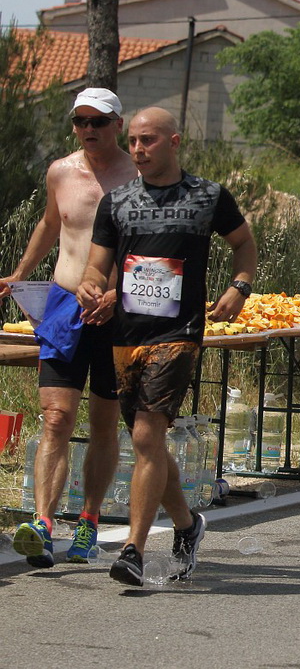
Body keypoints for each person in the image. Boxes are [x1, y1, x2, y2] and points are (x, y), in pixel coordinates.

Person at [77, 107, 257, 586]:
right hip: (125, 335)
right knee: (150, 442)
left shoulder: (208, 196)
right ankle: (186, 524)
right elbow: (97, 266)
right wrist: (90, 285)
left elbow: (244, 244)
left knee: (143, 437)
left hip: (178, 333)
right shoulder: (116, 202)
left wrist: (239, 286)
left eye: (148, 141)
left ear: (174, 142)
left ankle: (134, 549)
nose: (137, 149)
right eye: (133, 141)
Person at [3, 88, 137, 569]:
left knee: (103, 424)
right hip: (63, 304)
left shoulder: (138, 175)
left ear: (117, 125)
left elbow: (144, 246)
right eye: (80, 121)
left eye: (98, 121)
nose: (88, 130)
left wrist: (113, 291)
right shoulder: (61, 171)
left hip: (116, 309)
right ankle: (42, 523)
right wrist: (21, 272)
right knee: (55, 418)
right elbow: (49, 223)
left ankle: (88, 519)